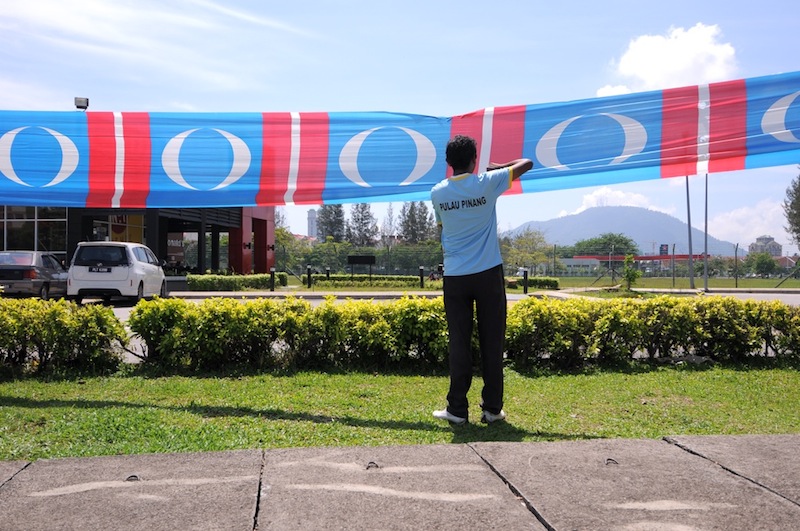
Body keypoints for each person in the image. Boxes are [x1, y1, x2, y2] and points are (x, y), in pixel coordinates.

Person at [430, 135, 533, 425]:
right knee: (492, 342)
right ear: (474, 160)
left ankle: (457, 410)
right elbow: (528, 163)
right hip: (488, 273)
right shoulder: (488, 182)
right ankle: (492, 409)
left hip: (455, 276)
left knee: (459, 343)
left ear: (448, 163)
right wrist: (499, 167)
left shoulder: (438, 192)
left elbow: (442, 227)